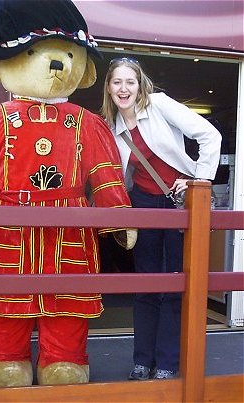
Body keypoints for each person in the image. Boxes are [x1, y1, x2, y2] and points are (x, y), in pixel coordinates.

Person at [101, 57, 221, 380]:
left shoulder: (159, 104)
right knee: (146, 283)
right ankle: (142, 361)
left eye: (130, 82)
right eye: (117, 82)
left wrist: (200, 181)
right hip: (142, 202)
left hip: (179, 199)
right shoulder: (111, 128)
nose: (124, 89)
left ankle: (167, 363)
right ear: (109, 88)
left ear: (140, 85)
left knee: (173, 283)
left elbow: (211, 136)